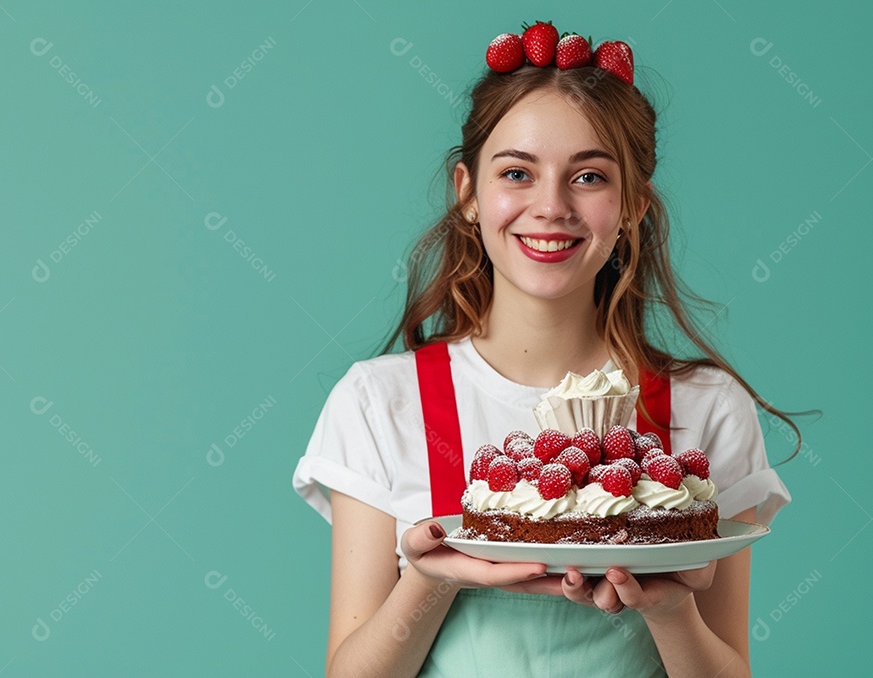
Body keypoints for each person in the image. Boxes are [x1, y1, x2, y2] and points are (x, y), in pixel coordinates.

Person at [292, 24, 797, 677]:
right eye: (517, 173)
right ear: (468, 192)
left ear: (633, 204)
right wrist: (430, 580)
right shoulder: (379, 402)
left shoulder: (708, 409)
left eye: (588, 176)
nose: (551, 206)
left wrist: (671, 612)